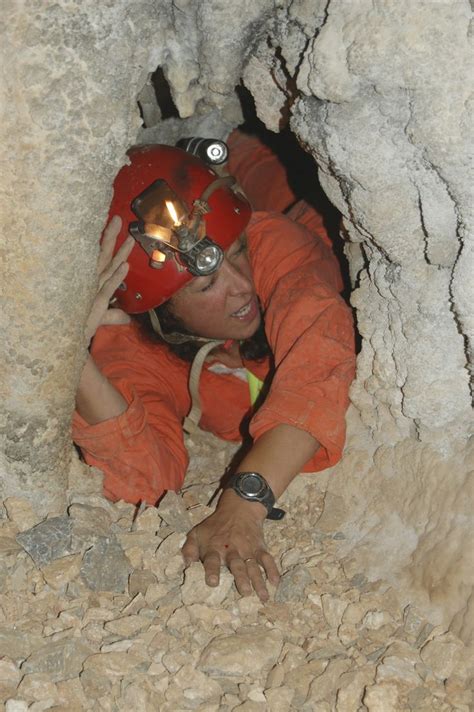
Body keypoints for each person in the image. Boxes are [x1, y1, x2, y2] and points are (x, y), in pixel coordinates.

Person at [73, 130, 356, 601]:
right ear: (159, 310)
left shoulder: (275, 249)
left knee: (281, 178)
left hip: (307, 222)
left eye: (237, 251)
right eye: (206, 286)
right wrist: (72, 357)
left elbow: (316, 366)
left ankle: (232, 136)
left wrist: (243, 505)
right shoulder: (137, 342)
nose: (242, 285)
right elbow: (148, 477)